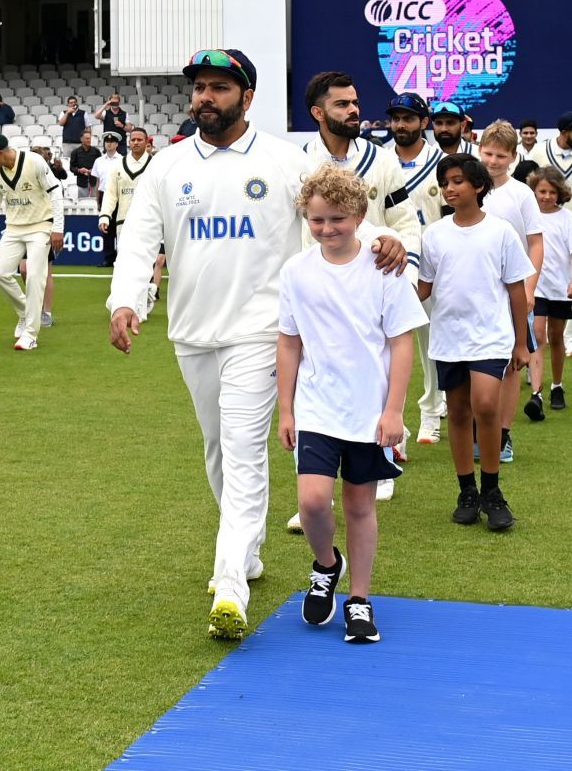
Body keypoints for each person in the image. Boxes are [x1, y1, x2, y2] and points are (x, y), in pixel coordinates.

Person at [107, 48, 406, 642]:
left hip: (261, 331)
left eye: (219, 88)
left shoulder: (282, 158)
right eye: (199, 88)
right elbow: (141, 240)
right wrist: (125, 301)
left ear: (246, 97)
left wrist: (385, 241)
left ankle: (229, 589)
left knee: (244, 453)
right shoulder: (168, 166)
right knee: (218, 452)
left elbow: (335, 205)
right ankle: (246, 552)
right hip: (192, 332)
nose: (205, 98)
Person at [276, 166, 424, 645]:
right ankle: (326, 565)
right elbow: (289, 341)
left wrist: (394, 411)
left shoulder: (386, 268)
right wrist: (286, 409)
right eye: (317, 220)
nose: (327, 229)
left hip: (369, 411)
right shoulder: (297, 271)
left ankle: (359, 599)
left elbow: (402, 343)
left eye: (338, 218)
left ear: (361, 216)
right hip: (316, 407)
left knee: (360, 506)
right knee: (313, 502)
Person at [415, 153, 531, 533]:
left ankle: (493, 490)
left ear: (478, 186)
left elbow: (516, 290)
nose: (449, 188)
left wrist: (520, 342)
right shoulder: (434, 233)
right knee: (459, 412)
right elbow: (424, 288)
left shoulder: (500, 232)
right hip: (449, 338)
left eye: (457, 181)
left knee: (485, 404)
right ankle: (467, 491)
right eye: (445, 182)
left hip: (491, 337)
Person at [382, 93, 449, 443]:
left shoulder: (442, 162)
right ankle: (395, 425)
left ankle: (432, 410)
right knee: (385, 347)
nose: (400, 125)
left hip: (432, 267)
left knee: (430, 344)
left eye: (408, 118)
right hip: (386, 266)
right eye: (395, 118)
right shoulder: (377, 160)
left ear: (424, 122)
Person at [474, 122, 542, 463]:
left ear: (514, 157)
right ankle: (477, 429)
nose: (493, 161)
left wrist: (529, 288)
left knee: (513, 363)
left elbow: (536, 242)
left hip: (513, 291)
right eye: (488, 153)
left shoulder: (521, 194)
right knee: (473, 360)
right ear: (478, 148)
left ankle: (502, 434)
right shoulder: (468, 188)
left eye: (501, 155)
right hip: (474, 292)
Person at [525, 111, 572, 356]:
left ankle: (571, 336)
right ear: (564, 132)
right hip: (542, 219)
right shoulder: (539, 153)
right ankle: (536, 333)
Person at [0, 132, 64, 353]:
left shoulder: (34, 161)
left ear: (1, 153)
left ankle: (30, 334)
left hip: (40, 226)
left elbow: (56, 193)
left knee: (36, 277)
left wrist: (57, 228)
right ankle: (25, 312)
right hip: (14, 228)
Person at [527, 169, 572, 413]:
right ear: (534, 191)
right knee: (538, 335)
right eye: (542, 191)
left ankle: (557, 385)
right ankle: (536, 393)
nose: (546, 196)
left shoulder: (567, 218)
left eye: (551, 192)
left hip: (560, 288)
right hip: (535, 286)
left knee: (557, 337)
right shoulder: (528, 217)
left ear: (560, 193)